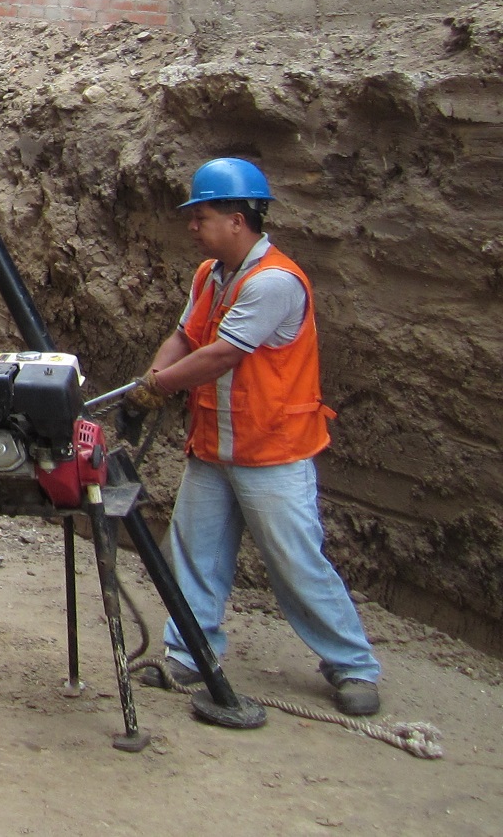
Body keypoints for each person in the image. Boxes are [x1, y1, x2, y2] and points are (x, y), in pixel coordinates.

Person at [128, 158, 382, 716]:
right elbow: (186, 337)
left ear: (238, 219)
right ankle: (191, 653)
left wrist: (160, 386)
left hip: (273, 451)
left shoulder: (272, 283)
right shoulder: (210, 275)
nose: (193, 225)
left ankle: (352, 666)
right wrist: (152, 380)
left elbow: (223, 354)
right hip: (215, 447)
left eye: (202, 215)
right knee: (196, 555)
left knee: (295, 562)